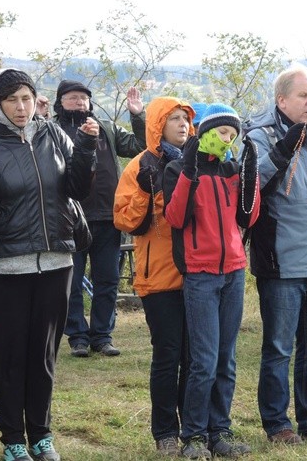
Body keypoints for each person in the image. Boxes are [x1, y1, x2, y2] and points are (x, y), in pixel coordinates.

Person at [0, 68, 98, 460]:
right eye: (11, 100)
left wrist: (87, 147)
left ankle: (41, 435)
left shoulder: (53, 134)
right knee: (9, 359)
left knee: (43, 357)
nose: (21, 108)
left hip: (57, 261)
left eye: (26, 98)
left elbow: (76, 189)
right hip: (5, 266)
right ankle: (13, 441)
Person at [244, 63, 307, 444]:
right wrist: (283, 149)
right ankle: (277, 424)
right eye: (303, 95)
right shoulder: (259, 136)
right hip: (282, 261)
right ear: (281, 99)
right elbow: (252, 187)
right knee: (278, 348)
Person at [163, 103, 260, 458]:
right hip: (201, 276)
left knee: (226, 359)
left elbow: (248, 217)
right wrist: (189, 170)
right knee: (203, 360)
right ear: (205, 133)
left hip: (233, 272)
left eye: (233, 136)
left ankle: (219, 431)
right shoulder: (177, 169)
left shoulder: (232, 170)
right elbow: (175, 218)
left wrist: (251, 173)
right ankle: (194, 436)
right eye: (223, 134)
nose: (228, 141)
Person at [113, 96, 195, 457]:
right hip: (158, 277)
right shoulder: (139, 165)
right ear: (157, 124)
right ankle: (165, 432)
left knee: (196, 358)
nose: (182, 125)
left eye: (185, 119)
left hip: (197, 276)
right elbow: (125, 220)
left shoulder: (199, 162)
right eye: (174, 119)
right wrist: (148, 191)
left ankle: (193, 427)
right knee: (168, 355)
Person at [55, 81, 145, 358]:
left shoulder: (106, 128)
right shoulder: (53, 131)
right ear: (60, 102)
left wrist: (138, 115)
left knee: (107, 279)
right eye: (72, 98)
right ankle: (78, 337)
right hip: (70, 219)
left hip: (109, 217)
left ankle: (102, 336)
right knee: (71, 283)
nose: (79, 103)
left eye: (83, 98)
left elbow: (139, 145)